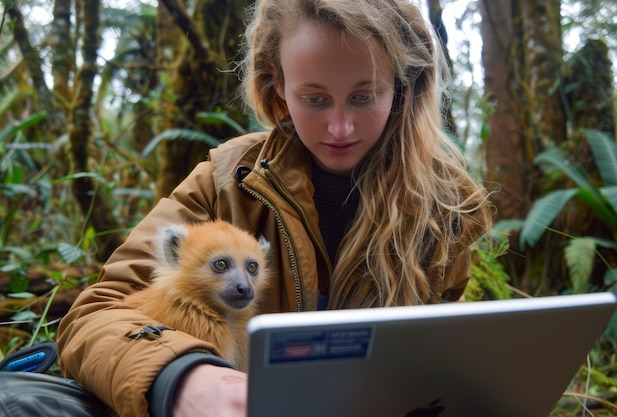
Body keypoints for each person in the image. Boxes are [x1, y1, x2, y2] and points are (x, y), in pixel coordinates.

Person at [0, 0, 492, 416]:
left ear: (401, 87)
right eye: (315, 99)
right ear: (277, 87)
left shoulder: (445, 209)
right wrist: (182, 376)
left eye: (364, 96)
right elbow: (93, 318)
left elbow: (433, 357)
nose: (341, 128)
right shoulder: (227, 180)